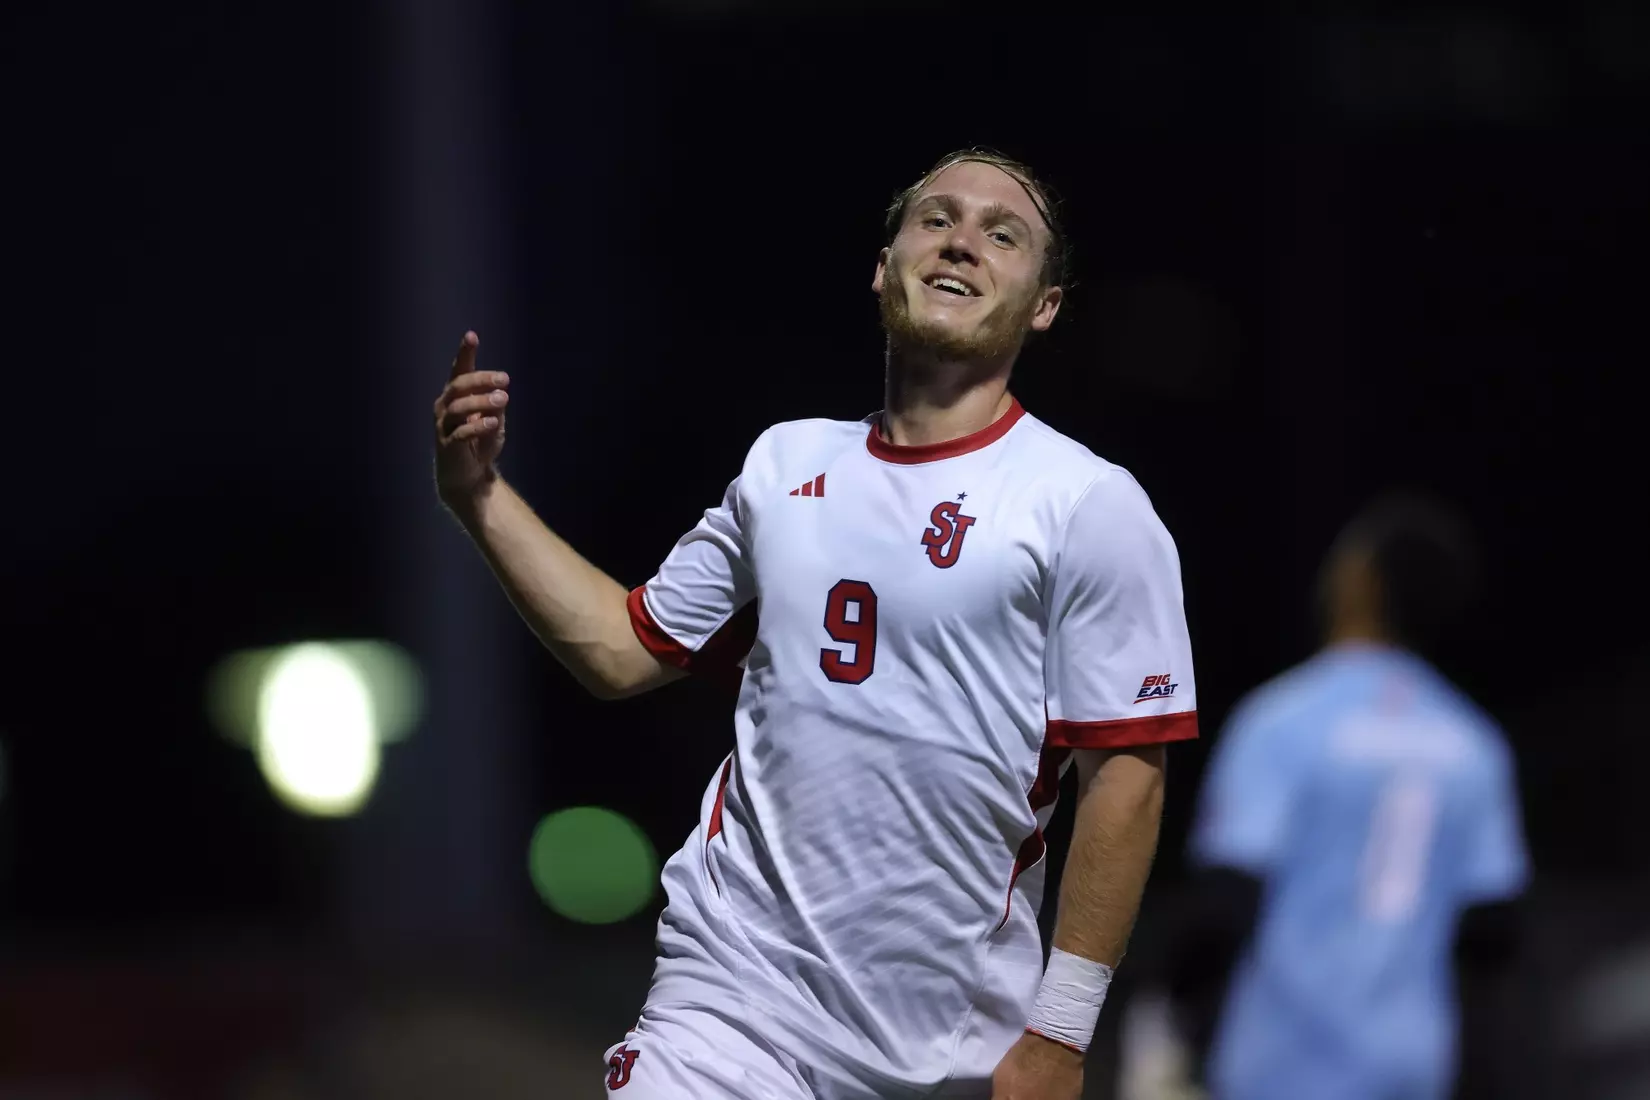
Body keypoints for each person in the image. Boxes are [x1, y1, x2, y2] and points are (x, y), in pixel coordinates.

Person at [431, 149, 1200, 1099]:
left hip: (943, 1050)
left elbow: (1126, 773)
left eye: (1003, 235)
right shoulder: (785, 464)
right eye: (936, 218)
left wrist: (1062, 1033)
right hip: (727, 1005)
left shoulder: (1087, 502)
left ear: (1044, 304)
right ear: (883, 268)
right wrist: (481, 498)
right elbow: (624, 651)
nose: (962, 239)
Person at [1174, 494, 1529, 1100]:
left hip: (1282, 1065)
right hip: (1412, 1066)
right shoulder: (1474, 744)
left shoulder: (1285, 718)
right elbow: (1495, 932)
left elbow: (1223, 903)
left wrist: (1176, 1012)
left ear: (1361, 581)